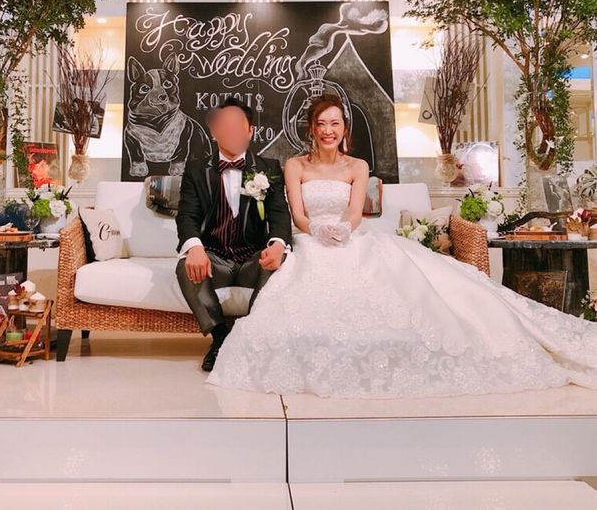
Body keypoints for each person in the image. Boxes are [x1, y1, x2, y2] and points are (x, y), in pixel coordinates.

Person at [207, 93, 597, 398]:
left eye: (335, 123)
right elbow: (297, 214)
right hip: (309, 241)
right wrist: (316, 230)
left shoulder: (357, 166)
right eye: (322, 124)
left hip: (349, 237)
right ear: (311, 128)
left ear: (344, 128)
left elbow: (355, 214)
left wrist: (341, 229)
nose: (328, 130)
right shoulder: (295, 165)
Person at [175, 98, 292, 372]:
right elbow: (187, 215)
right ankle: (220, 338)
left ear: (250, 131)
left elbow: (279, 214)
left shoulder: (269, 168)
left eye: (238, 126)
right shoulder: (195, 170)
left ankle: (251, 335)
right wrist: (194, 247)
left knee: (283, 261)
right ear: (214, 131)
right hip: (215, 259)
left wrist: (277, 244)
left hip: (253, 258)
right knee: (185, 266)